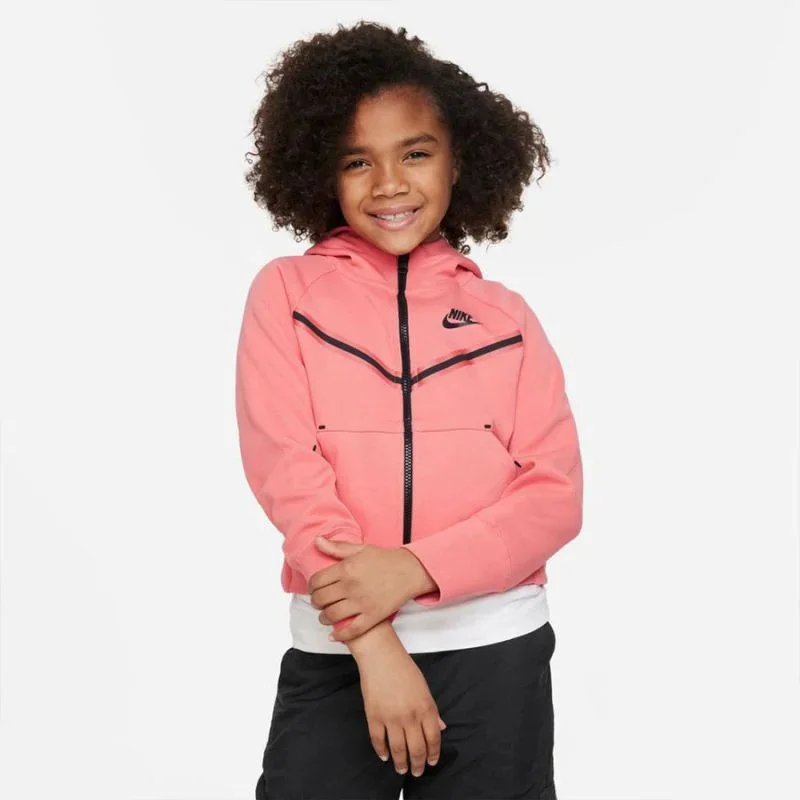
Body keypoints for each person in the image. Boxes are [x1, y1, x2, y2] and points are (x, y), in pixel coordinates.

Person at [235, 20, 583, 800]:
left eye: (416, 153)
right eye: (358, 161)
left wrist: (415, 569)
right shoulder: (286, 294)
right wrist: (375, 644)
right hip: (340, 654)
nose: (389, 183)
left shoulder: (506, 318)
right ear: (321, 171)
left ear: (460, 161)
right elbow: (289, 474)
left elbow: (554, 496)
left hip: (496, 650)